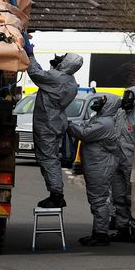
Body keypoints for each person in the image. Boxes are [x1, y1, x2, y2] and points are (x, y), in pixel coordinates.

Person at [25, 42, 83, 208]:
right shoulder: (70, 81)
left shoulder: (57, 78)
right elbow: (47, 76)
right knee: (48, 158)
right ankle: (55, 192)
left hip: (47, 124)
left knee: (48, 159)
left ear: (66, 63)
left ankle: (56, 194)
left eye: (62, 58)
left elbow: (35, 73)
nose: (59, 59)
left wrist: (30, 55)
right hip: (55, 122)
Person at [68, 94, 121, 246]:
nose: (98, 103)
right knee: (96, 200)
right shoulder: (98, 119)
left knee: (99, 200)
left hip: (101, 167)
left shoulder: (105, 123)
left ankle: (101, 235)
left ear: (109, 105)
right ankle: (97, 232)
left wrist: (67, 125)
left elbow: (84, 133)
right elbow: (84, 125)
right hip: (96, 166)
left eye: (102, 101)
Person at [110, 88, 135, 243]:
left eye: (129, 97)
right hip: (117, 160)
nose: (126, 99)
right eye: (125, 96)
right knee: (118, 196)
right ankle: (122, 228)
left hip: (132, 163)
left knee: (132, 197)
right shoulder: (120, 114)